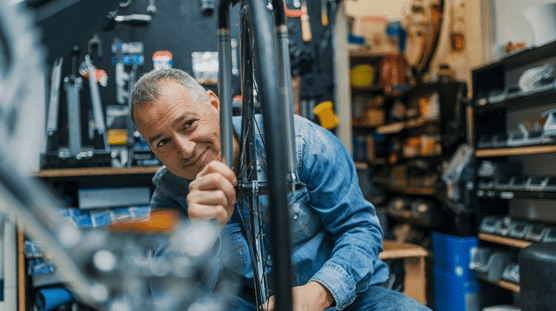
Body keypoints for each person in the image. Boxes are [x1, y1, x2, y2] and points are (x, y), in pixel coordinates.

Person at [130, 68, 431, 311]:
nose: (184, 149)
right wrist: (201, 234)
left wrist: (320, 292)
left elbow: (360, 230)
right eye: (162, 142)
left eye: (188, 124)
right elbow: (168, 293)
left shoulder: (300, 144)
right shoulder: (170, 193)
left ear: (214, 104)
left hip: (342, 297)